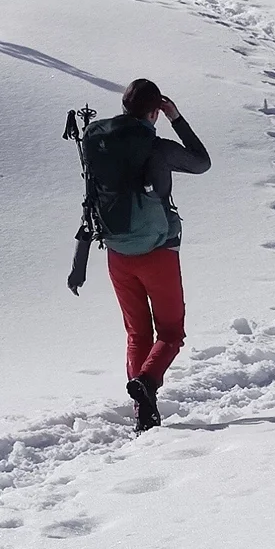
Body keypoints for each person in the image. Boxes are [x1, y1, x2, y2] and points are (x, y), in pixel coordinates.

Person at [84, 78, 212, 433]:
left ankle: (144, 410)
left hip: (116, 251)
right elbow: (202, 163)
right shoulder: (156, 148)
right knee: (170, 333)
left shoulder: (100, 140)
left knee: (137, 334)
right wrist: (177, 118)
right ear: (155, 111)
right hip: (157, 251)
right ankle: (148, 384)